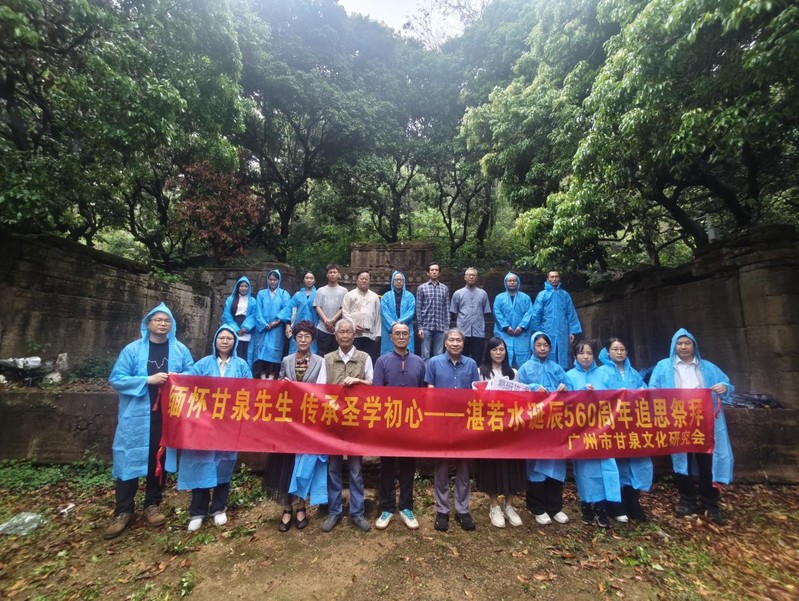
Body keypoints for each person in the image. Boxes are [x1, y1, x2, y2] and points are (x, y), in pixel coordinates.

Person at [105, 303, 195, 539]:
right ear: (148, 324)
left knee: (158, 459)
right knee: (129, 458)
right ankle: (123, 511)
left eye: (167, 320)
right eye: (158, 320)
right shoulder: (132, 350)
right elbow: (117, 378)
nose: (163, 324)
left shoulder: (180, 350)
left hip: (165, 416)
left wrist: (176, 378)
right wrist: (147, 380)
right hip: (136, 416)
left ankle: (152, 504)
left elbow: (192, 373)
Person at [649, 328, 734, 525]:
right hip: (678, 420)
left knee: (708, 461)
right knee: (682, 461)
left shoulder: (708, 367)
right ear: (674, 346)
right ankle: (687, 500)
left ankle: (710, 503)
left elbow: (727, 384)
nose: (683, 347)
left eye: (687, 343)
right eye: (679, 343)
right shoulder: (663, 367)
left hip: (705, 422)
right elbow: (652, 389)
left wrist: (724, 387)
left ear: (694, 346)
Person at [175, 326, 252, 532]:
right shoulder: (203, 364)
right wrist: (175, 377)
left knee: (224, 464)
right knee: (200, 462)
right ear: (215, 341)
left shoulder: (241, 365)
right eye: (221, 338)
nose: (225, 341)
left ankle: (219, 508)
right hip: (204, 424)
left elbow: (250, 391)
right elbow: (189, 383)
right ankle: (197, 511)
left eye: (229, 338)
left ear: (235, 342)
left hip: (228, 424)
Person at [264, 320, 326, 532]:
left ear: (312, 339)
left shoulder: (320, 362)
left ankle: (301, 507)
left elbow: (323, 390)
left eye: (307, 336)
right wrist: (283, 384)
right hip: (288, 420)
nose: (303, 339)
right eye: (299, 336)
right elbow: (279, 387)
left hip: (309, 419)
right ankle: (287, 508)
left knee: (303, 463)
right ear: (294, 338)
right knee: (286, 463)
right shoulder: (286, 360)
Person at [319, 319, 373, 533]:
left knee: (356, 470)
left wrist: (358, 382)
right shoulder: (327, 359)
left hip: (355, 422)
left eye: (348, 331)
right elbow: (320, 389)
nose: (345, 335)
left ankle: (357, 513)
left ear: (354, 335)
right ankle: (334, 511)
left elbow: (372, 385)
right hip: (333, 422)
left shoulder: (364, 357)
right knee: (333, 469)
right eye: (341, 331)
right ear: (336, 336)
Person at [425, 328, 480, 532]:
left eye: (459, 340)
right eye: (452, 340)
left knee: (463, 468)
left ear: (463, 344)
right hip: (442, 423)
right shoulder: (434, 363)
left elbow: (476, 393)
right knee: (441, 467)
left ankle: (462, 509)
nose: (455, 343)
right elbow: (429, 392)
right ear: (445, 343)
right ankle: (442, 510)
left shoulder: (471, 364)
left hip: (464, 424)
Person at [565, 340, 623, 529]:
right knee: (585, 471)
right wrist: (581, 395)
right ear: (575, 356)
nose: (586, 357)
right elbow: (565, 403)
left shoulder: (604, 374)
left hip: (603, 429)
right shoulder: (569, 376)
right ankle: (586, 507)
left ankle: (602, 509)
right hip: (581, 431)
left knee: (606, 468)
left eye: (589, 353)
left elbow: (616, 396)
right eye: (582, 353)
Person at [373, 322, 425, 530]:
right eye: (397, 334)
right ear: (391, 337)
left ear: (409, 337)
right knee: (386, 466)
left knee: (408, 466)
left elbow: (423, 393)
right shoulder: (382, 361)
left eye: (405, 333)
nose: (401, 336)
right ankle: (387, 507)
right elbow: (377, 392)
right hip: (389, 422)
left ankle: (406, 507)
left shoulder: (419, 362)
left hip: (411, 423)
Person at [517, 331, 570, 526]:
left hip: (555, 424)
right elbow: (518, 391)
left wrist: (565, 388)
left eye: (545, 345)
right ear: (533, 346)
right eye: (538, 345)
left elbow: (571, 391)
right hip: (535, 424)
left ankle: (555, 507)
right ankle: (537, 507)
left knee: (556, 464)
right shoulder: (525, 368)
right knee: (535, 465)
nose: (542, 348)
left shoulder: (557, 368)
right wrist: (532, 387)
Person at [597, 337, 650, 522]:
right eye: (615, 349)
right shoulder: (601, 372)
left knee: (634, 463)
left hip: (632, 425)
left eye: (622, 349)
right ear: (608, 352)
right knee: (614, 465)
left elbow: (645, 392)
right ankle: (615, 506)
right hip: (612, 425)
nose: (619, 352)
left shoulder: (633, 373)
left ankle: (633, 504)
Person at [475, 337, 527, 528]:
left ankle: (510, 505)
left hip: (511, 428)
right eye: (495, 349)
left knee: (512, 466)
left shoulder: (513, 373)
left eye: (502, 349)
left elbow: (520, 399)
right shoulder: (480, 372)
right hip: (490, 427)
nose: (499, 353)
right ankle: (494, 505)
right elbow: (476, 398)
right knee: (492, 465)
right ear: (488, 352)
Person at [531, 270, 582, 370]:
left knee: (563, 353)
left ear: (559, 278)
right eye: (552, 277)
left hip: (563, 330)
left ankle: (563, 373)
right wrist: (537, 332)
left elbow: (571, 313)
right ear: (548, 279)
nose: (554, 279)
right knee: (548, 352)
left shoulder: (565, 295)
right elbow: (536, 314)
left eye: (556, 276)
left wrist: (572, 331)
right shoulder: (542, 295)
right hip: (547, 330)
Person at [253, 269, 291, 379]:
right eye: (270, 279)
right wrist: (264, 324)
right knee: (261, 351)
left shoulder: (284, 294)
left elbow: (286, 309)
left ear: (279, 280)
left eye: (275, 280)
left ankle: (272, 376)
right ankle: (262, 375)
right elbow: (258, 311)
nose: (272, 282)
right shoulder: (261, 294)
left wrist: (277, 321)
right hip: (263, 329)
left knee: (274, 351)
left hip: (277, 328)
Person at [450, 267, 492, 362]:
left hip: (478, 331)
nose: (471, 277)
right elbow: (454, 312)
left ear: (476, 278)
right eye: (469, 275)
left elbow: (485, 312)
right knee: (461, 358)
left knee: (477, 358)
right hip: (463, 331)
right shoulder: (458, 293)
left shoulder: (483, 294)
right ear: (465, 277)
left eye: (473, 275)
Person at [493, 272, 534, 368]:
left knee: (523, 357)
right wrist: (506, 327)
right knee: (504, 354)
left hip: (522, 334)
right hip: (504, 333)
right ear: (505, 283)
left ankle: (522, 376)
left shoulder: (525, 298)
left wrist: (522, 326)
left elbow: (529, 313)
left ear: (518, 282)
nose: (512, 282)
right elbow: (497, 313)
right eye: (509, 280)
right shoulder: (499, 298)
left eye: (514, 280)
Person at [341, 270, 382, 363]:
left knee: (369, 360)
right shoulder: (349, 295)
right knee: (354, 360)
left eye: (366, 279)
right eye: (362, 278)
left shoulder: (374, 296)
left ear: (369, 281)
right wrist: (353, 325)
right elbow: (345, 312)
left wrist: (378, 334)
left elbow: (378, 316)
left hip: (370, 334)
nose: (364, 280)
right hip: (354, 334)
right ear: (357, 280)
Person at [416, 262, 450, 363]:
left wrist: (447, 328)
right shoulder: (422, 288)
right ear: (428, 273)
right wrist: (420, 327)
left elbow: (447, 308)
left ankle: (437, 373)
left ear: (439, 272)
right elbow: (418, 308)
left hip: (440, 326)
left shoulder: (444, 288)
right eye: (432, 270)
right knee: (425, 355)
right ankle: (426, 373)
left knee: (439, 355)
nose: (434, 272)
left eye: (436, 270)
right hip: (426, 326)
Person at [281, 271, 318, 355]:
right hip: (297, 327)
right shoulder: (297, 295)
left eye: (311, 278)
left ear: (314, 280)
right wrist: (288, 325)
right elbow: (289, 310)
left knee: (311, 351)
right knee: (295, 350)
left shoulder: (318, 294)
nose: (309, 280)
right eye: (307, 278)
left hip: (313, 327)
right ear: (304, 280)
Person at [379, 271, 416, 356]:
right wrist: (393, 324)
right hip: (389, 328)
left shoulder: (410, 296)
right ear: (392, 281)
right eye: (396, 280)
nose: (398, 281)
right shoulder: (386, 296)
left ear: (404, 281)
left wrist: (400, 322)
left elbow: (411, 312)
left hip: (406, 326)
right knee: (388, 353)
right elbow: (384, 312)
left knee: (407, 352)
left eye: (400, 280)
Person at [314, 264, 347, 356]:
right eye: (330, 272)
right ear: (327, 275)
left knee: (336, 355)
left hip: (337, 328)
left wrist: (333, 320)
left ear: (338, 274)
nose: (332, 274)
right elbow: (317, 306)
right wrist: (326, 321)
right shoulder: (320, 290)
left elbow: (343, 307)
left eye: (334, 272)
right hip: (322, 327)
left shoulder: (344, 291)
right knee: (321, 354)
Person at [221, 276, 256, 364]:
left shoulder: (252, 301)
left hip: (247, 328)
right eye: (241, 286)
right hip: (233, 325)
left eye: (246, 286)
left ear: (249, 288)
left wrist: (245, 327)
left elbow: (254, 315)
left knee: (244, 352)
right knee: (233, 349)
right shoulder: (230, 299)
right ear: (237, 287)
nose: (243, 288)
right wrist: (235, 329)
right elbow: (227, 315)